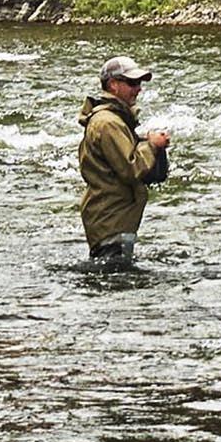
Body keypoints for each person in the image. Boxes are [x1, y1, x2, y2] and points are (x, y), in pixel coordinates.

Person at [76, 55, 171, 280]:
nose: (138, 89)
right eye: (132, 83)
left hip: (112, 219)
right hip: (110, 222)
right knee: (113, 285)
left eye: (139, 83)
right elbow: (131, 168)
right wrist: (152, 146)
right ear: (113, 85)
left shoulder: (112, 120)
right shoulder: (108, 123)